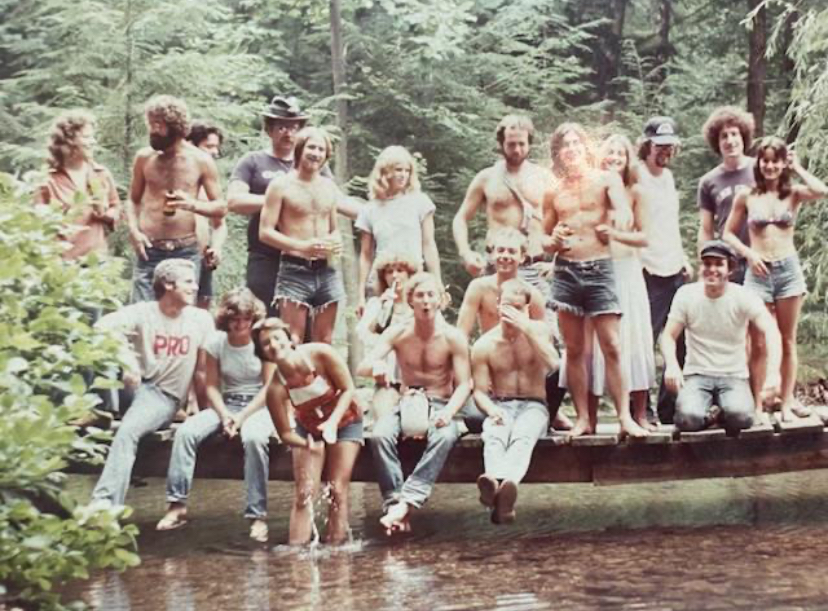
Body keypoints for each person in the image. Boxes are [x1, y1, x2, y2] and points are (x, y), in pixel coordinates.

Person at [542, 122, 648, 438]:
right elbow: (542, 238)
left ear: (585, 148)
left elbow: (625, 214)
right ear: (558, 154)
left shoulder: (606, 180)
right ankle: (583, 420)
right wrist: (554, 239)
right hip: (566, 271)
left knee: (612, 345)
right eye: (565, 145)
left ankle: (625, 418)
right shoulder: (553, 191)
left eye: (576, 143)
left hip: (601, 267)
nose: (571, 149)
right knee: (574, 350)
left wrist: (617, 222)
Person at [91, 259, 214, 506]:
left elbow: (202, 372)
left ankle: (104, 504)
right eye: (188, 282)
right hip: (131, 388)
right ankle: (98, 410)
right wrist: (127, 361)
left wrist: (202, 413)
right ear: (168, 284)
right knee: (96, 349)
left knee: (127, 432)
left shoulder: (200, 320)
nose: (195, 287)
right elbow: (101, 327)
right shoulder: (143, 312)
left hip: (162, 396)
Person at [156, 288, 276, 542]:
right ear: (226, 319)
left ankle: (257, 515)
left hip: (259, 407)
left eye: (246, 318)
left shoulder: (263, 341)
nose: (241, 324)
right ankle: (177, 505)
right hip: (227, 403)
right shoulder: (215, 342)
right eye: (235, 319)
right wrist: (224, 416)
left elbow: (269, 388)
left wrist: (241, 418)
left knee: (254, 439)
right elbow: (211, 386)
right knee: (186, 432)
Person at [356, 272, 472, 534]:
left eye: (431, 295)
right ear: (410, 301)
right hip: (407, 401)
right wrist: (376, 367)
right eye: (420, 295)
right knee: (378, 435)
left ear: (441, 300)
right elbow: (362, 366)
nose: (426, 301)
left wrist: (450, 413)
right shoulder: (399, 333)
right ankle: (395, 502)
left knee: (445, 436)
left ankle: (410, 499)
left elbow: (465, 384)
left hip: (442, 402)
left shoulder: (453, 337)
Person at [724, 137, 828, 420]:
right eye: (765, 160)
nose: (770, 166)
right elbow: (728, 233)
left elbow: (822, 190)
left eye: (776, 161)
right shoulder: (746, 195)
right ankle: (756, 406)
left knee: (787, 340)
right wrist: (748, 254)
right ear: (759, 163)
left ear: (783, 163)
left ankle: (785, 403)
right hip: (757, 274)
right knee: (757, 342)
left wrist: (798, 167)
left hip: (788, 272)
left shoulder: (793, 193)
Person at [228, 96, 360, 316]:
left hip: (307, 262)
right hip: (266, 257)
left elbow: (337, 200)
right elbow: (234, 201)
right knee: (263, 319)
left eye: (294, 127)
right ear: (269, 130)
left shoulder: (314, 164)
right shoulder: (252, 161)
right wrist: (280, 200)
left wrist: (377, 214)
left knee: (306, 329)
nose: (288, 133)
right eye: (281, 127)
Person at [253, 317, 363, 545]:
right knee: (304, 494)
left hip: (346, 420)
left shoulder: (321, 354)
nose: (273, 345)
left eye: (276, 338)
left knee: (337, 490)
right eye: (266, 343)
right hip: (308, 430)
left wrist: (332, 423)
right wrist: (306, 444)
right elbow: (285, 434)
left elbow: (348, 388)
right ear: (263, 353)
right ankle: (297, 554)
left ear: (289, 339)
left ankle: (336, 549)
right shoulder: (275, 388)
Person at [662, 241, 781, 433]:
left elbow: (771, 331)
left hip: (734, 375)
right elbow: (668, 335)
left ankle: (721, 414)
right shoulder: (686, 295)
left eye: (718, 264)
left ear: (730, 269)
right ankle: (708, 415)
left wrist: (774, 374)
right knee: (687, 420)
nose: (712, 270)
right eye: (707, 264)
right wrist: (672, 366)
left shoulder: (743, 296)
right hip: (697, 375)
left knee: (742, 417)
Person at [472, 279, 559, 524]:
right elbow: (479, 392)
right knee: (494, 432)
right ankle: (499, 489)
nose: (512, 312)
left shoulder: (539, 331)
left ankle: (499, 486)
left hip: (535, 404)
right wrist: (490, 410)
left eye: (518, 308)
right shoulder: (484, 345)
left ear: (527, 309)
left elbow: (554, 364)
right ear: (498, 305)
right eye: (507, 306)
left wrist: (528, 329)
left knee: (523, 434)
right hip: (500, 402)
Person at [125, 95, 225, 303]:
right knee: (142, 316)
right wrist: (134, 231)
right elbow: (133, 200)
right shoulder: (144, 158)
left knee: (180, 314)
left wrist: (192, 204)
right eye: (151, 124)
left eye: (158, 125)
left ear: (175, 127)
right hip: (149, 250)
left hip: (185, 251)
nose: (152, 130)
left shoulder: (201, 161)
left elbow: (221, 208)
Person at [587, 134, 656, 430]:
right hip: (596, 271)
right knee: (593, 343)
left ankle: (638, 414)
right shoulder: (591, 189)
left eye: (620, 153)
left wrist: (614, 235)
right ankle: (588, 417)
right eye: (609, 152)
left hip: (627, 271)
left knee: (633, 340)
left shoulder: (636, 192)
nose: (614, 158)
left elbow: (644, 237)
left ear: (628, 159)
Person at [259, 127, 347, 344]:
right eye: (312, 147)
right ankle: (293, 379)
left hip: (327, 270)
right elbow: (265, 232)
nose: (316, 153)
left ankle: (320, 379)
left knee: (324, 340)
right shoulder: (280, 185)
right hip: (294, 269)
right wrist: (301, 246)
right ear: (300, 149)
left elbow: (334, 227)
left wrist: (336, 241)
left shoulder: (329, 186)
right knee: (293, 340)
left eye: (321, 149)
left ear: (326, 156)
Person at [453, 115, 553, 287]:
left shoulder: (544, 178)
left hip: (535, 268)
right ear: (501, 144)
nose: (517, 150)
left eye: (522, 144)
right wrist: (466, 253)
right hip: (496, 266)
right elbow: (460, 219)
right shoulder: (487, 178)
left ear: (529, 143)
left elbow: (566, 221)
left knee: (539, 314)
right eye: (511, 144)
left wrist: (556, 263)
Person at [636, 117, 692, 424]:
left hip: (674, 270)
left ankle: (669, 410)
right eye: (660, 146)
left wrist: (683, 256)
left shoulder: (667, 178)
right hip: (648, 270)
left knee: (679, 339)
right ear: (647, 145)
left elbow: (669, 223)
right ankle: (641, 408)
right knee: (646, 340)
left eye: (670, 146)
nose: (666, 151)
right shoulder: (637, 177)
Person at [356, 146, 441, 314]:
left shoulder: (420, 202)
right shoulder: (370, 209)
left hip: (414, 279)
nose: (403, 175)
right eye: (397, 170)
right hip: (382, 282)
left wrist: (436, 280)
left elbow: (429, 244)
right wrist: (360, 295)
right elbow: (366, 255)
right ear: (385, 172)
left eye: (407, 170)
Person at [35, 110, 121, 260]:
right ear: (68, 141)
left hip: (97, 262)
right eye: (87, 137)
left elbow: (116, 207)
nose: (93, 142)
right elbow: (37, 226)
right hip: (63, 266)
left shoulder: (100, 174)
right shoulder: (47, 180)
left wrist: (106, 214)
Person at [356, 251, 420, 423]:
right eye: (389, 272)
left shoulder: (421, 303)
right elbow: (368, 339)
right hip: (388, 381)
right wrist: (382, 309)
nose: (395, 276)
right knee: (384, 422)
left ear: (410, 275)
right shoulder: (376, 305)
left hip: (418, 382)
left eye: (400, 270)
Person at [698, 106, 756, 283]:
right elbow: (706, 228)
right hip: (729, 261)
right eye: (724, 136)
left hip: (760, 255)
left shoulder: (761, 169)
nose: (730, 141)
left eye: (734, 134)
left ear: (743, 137)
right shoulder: (708, 181)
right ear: (717, 142)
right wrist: (705, 264)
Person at [457, 228, 546, 337]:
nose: (505, 256)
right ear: (492, 254)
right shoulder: (479, 288)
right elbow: (461, 333)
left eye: (512, 252)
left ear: (522, 257)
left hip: (520, 352)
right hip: (488, 350)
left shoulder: (532, 294)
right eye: (500, 250)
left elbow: (544, 336)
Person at [186, 121, 228, 310]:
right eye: (208, 146)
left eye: (216, 147)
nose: (214, 152)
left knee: (200, 314)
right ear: (190, 145)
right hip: (178, 257)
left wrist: (217, 247)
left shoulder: (210, 186)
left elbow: (220, 224)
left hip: (203, 259)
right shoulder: (177, 179)